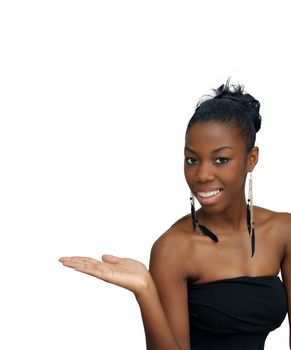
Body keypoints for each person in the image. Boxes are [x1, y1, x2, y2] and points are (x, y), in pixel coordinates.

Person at [59, 80, 291, 350]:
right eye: (192, 159)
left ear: (251, 159)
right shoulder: (173, 248)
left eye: (221, 160)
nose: (202, 175)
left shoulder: (283, 231)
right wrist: (145, 290)